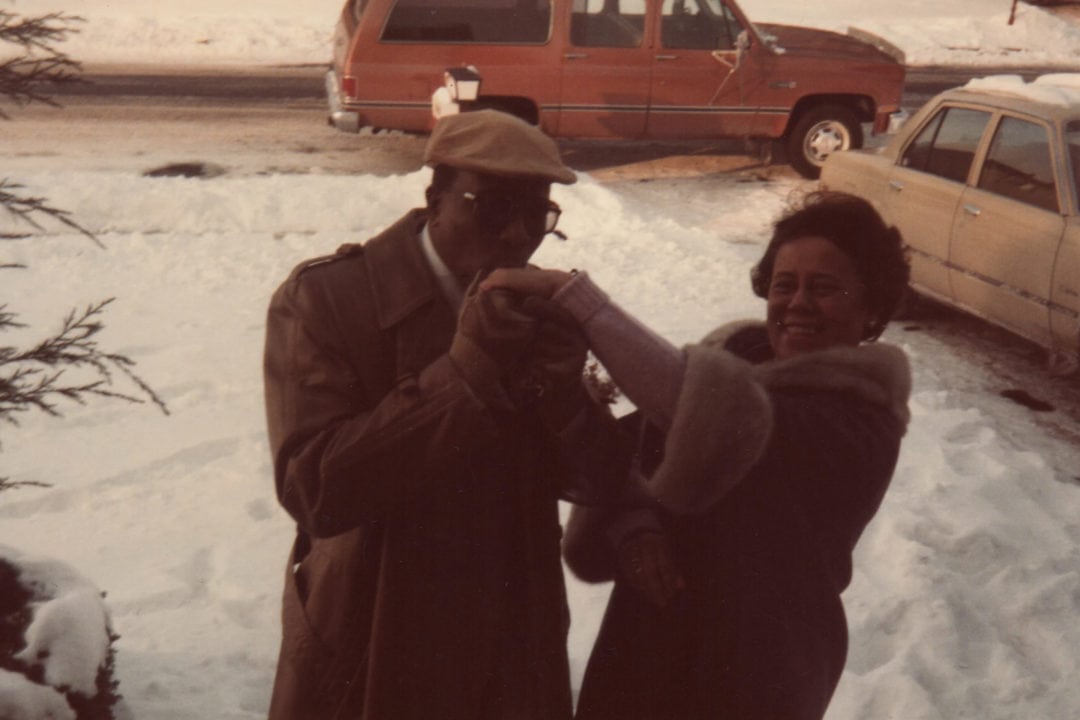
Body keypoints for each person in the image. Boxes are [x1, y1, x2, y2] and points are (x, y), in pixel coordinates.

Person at [481, 191, 912, 720]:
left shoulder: (860, 420)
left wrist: (576, 300)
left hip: (756, 676)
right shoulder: (734, 364)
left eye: (825, 288)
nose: (798, 303)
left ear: (870, 308)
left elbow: (725, 419)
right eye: (784, 284)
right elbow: (626, 450)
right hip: (645, 655)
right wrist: (632, 521)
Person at [262, 110, 625, 720]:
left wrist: (565, 393)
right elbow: (313, 486)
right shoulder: (327, 299)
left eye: (536, 216)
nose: (515, 235)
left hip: (510, 640)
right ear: (436, 199)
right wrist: (465, 373)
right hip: (371, 633)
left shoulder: (533, 303)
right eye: (492, 208)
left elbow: (599, 482)